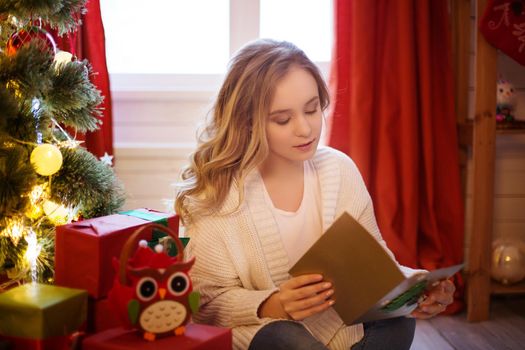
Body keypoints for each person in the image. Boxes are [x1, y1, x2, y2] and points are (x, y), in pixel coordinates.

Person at [175, 39, 455, 350]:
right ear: (247, 123)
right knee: (289, 339)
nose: (305, 129)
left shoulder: (339, 169)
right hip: (267, 331)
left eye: (312, 109)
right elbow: (205, 301)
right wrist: (274, 304)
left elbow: (373, 266)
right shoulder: (218, 195)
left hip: (341, 327)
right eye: (283, 119)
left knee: (400, 322)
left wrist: (415, 287)